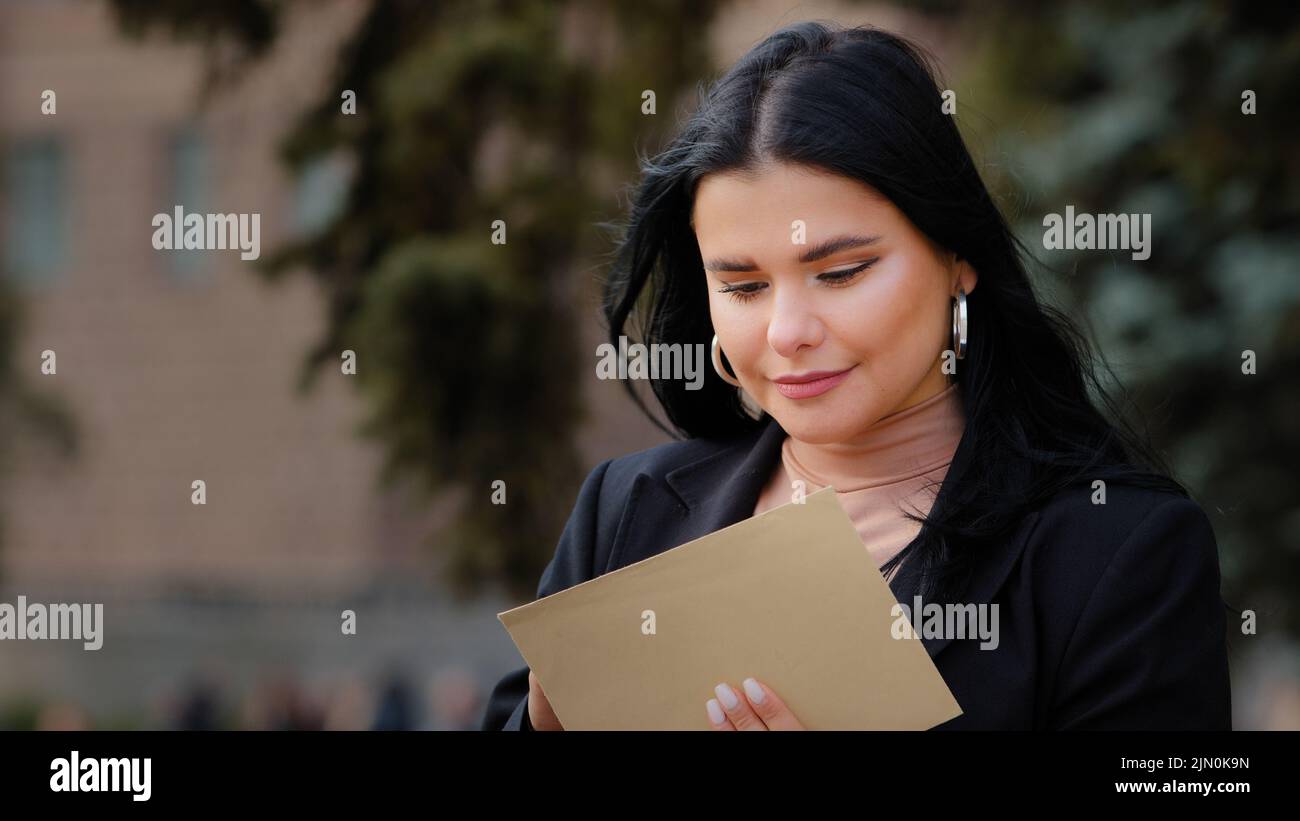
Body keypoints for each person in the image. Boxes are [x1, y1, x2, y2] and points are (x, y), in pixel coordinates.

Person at [481, 20, 1231, 731]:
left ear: (956, 259)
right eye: (743, 287)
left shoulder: (1118, 548)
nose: (787, 332)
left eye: (840, 272)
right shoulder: (627, 512)